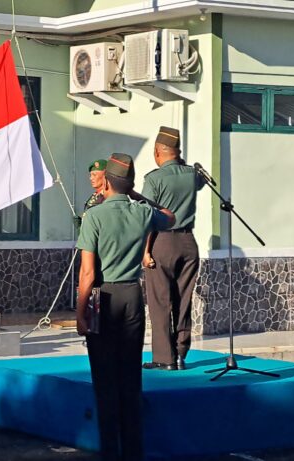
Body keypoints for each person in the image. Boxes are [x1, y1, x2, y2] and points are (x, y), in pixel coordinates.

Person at [76, 153, 176, 461]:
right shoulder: (142, 213)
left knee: (105, 379)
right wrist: (133, 192)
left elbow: (88, 272)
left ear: (105, 182)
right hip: (133, 295)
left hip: (102, 298)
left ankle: (110, 451)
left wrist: (80, 312)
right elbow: (170, 217)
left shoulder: (94, 216)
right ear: (129, 184)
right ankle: (133, 451)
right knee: (130, 377)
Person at [141, 126, 204, 371]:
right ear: (177, 151)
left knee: (160, 302)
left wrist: (145, 252)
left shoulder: (154, 178)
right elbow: (198, 182)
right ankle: (180, 353)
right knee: (183, 300)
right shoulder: (191, 174)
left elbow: (148, 216)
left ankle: (163, 358)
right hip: (188, 242)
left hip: (162, 241)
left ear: (158, 151)